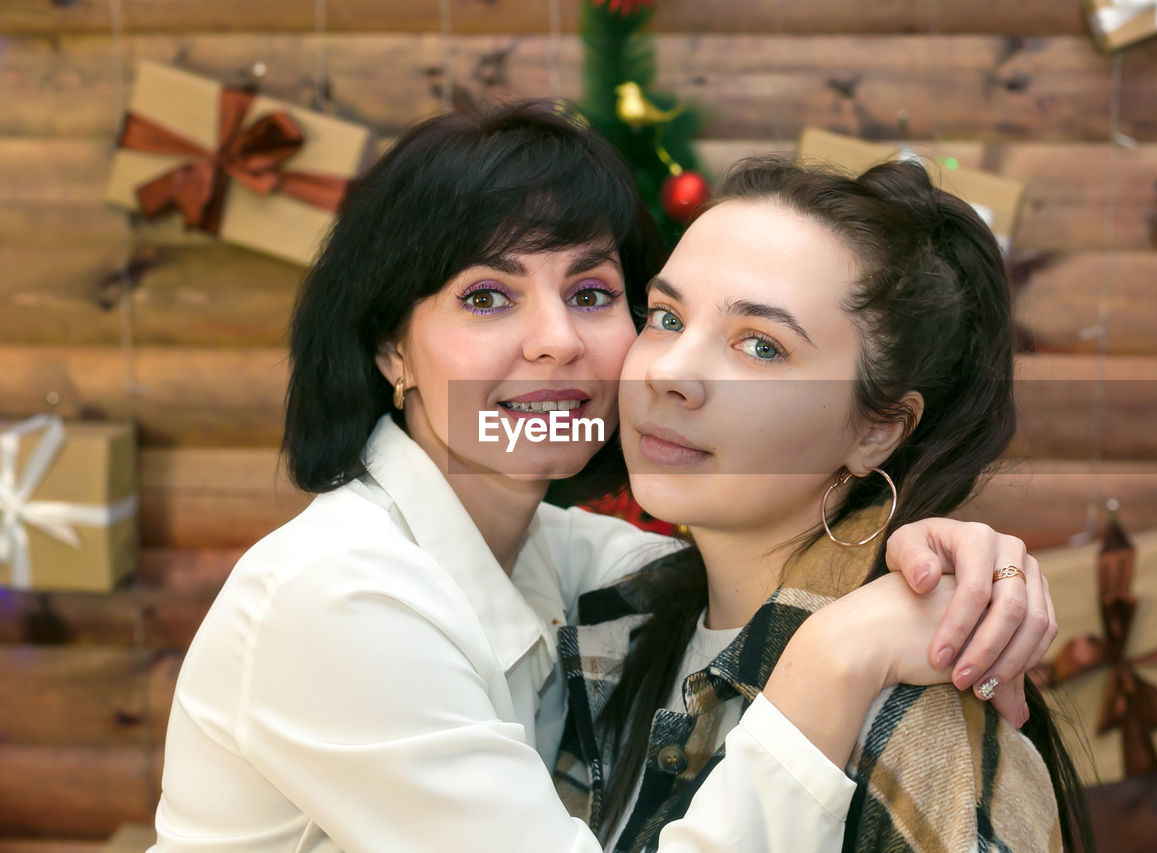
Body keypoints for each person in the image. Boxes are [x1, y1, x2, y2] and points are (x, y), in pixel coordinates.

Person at [150, 103, 1057, 852]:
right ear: (394, 346)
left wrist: (970, 561)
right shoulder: (337, 595)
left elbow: (756, 573)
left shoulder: (579, 566)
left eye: (592, 294)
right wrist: (834, 656)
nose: (558, 340)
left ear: (880, 425)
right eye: (486, 296)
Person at [557, 156, 1093, 851]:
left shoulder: (916, 719)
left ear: (878, 430)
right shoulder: (617, 617)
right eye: (665, 315)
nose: (669, 371)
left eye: (760, 345)